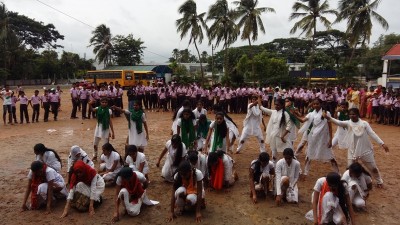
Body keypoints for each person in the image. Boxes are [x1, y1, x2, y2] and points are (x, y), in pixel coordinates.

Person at [324, 108, 389, 187]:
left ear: (358, 114)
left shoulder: (364, 124)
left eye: (354, 114)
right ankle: (347, 183)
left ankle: (379, 181)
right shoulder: (348, 123)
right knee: (349, 169)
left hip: (365, 150)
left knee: (373, 168)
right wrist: (329, 118)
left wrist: (382, 144)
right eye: (350, 114)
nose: (352, 116)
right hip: (352, 150)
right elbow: (338, 122)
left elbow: (372, 133)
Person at [294, 99, 339, 177]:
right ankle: (306, 172)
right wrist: (294, 114)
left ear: (321, 104)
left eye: (317, 104)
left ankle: (338, 173)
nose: (315, 105)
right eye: (314, 104)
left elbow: (330, 127)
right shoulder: (311, 114)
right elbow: (302, 120)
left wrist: (330, 140)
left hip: (324, 138)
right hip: (313, 137)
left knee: (331, 156)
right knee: (309, 155)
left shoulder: (326, 113)